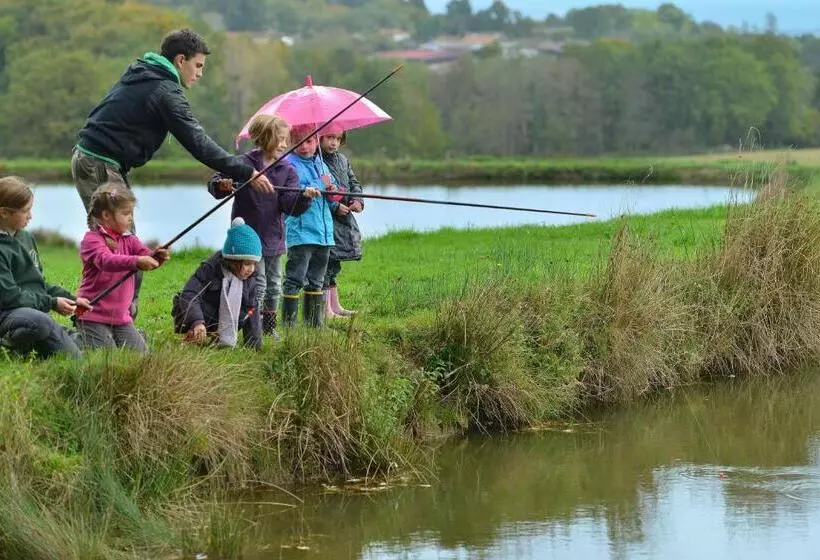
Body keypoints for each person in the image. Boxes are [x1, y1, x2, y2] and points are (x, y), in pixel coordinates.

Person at [71, 28, 273, 318]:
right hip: (99, 162)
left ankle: (114, 318)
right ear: (181, 60)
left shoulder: (146, 74)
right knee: (122, 246)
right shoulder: (164, 90)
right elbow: (198, 143)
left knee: (121, 243)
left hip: (99, 160)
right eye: (198, 65)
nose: (200, 73)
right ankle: (110, 318)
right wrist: (246, 171)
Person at [207, 114, 320, 338]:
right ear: (264, 138)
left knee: (274, 285)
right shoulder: (243, 163)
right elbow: (215, 184)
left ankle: (269, 327)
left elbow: (290, 206)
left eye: (286, 139)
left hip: (273, 238)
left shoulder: (287, 170)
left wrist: (305, 198)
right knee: (257, 284)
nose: (285, 144)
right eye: (280, 139)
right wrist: (222, 185)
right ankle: (252, 326)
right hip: (247, 239)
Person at [0, 177, 91, 359]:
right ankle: (9, 342)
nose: (31, 216)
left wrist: (72, 299)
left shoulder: (26, 238)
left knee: (90, 341)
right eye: (25, 211)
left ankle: (58, 340)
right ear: (3, 213)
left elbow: (38, 284)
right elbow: (10, 297)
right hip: (7, 314)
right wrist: (51, 303)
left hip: (30, 312)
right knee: (41, 323)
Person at [75, 184, 170, 352]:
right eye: (126, 213)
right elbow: (106, 260)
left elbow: (145, 256)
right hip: (93, 314)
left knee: (141, 357)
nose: (130, 218)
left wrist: (158, 256)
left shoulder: (130, 239)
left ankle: (128, 335)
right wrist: (137, 261)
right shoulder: (91, 240)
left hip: (121, 317)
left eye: (131, 213)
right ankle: (71, 338)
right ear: (106, 215)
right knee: (106, 355)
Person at [172, 218, 263, 350]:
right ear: (233, 261)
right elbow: (190, 294)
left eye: (254, 264)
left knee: (249, 310)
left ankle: (221, 337)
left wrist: (255, 344)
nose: (251, 269)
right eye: (247, 264)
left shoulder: (251, 278)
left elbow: (252, 308)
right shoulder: (210, 268)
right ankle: (195, 332)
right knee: (184, 302)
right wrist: (197, 322)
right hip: (207, 315)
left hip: (229, 318)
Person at [281, 125, 339, 328]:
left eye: (309, 141)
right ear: (290, 142)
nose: (304, 146)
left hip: (323, 233)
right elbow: (295, 192)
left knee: (318, 279)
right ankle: (289, 325)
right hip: (302, 231)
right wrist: (320, 184)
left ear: (317, 141)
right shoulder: (289, 165)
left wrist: (334, 193)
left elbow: (330, 198)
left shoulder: (322, 164)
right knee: (295, 277)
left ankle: (314, 323)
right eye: (298, 141)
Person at [319, 129, 364, 318]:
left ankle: (335, 306)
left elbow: (354, 183)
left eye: (338, 138)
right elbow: (320, 192)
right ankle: (325, 311)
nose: (334, 143)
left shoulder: (343, 160)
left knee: (334, 264)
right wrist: (335, 206)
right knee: (324, 263)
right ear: (319, 138)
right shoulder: (317, 162)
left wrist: (357, 200)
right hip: (325, 220)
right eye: (330, 138)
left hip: (343, 220)